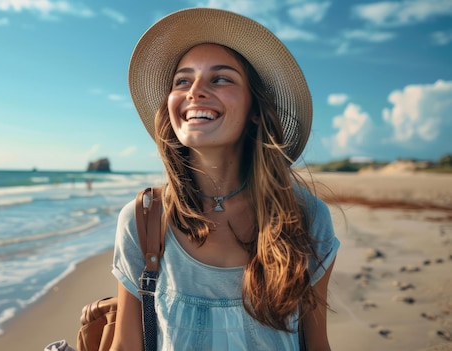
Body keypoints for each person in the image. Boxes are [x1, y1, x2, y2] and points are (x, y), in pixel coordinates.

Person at [111, 8, 340, 351]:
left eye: (220, 78)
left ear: (255, 111)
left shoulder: (307, 218)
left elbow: (317, 345)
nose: (195, 92)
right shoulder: (143, 220)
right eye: (182, 81)